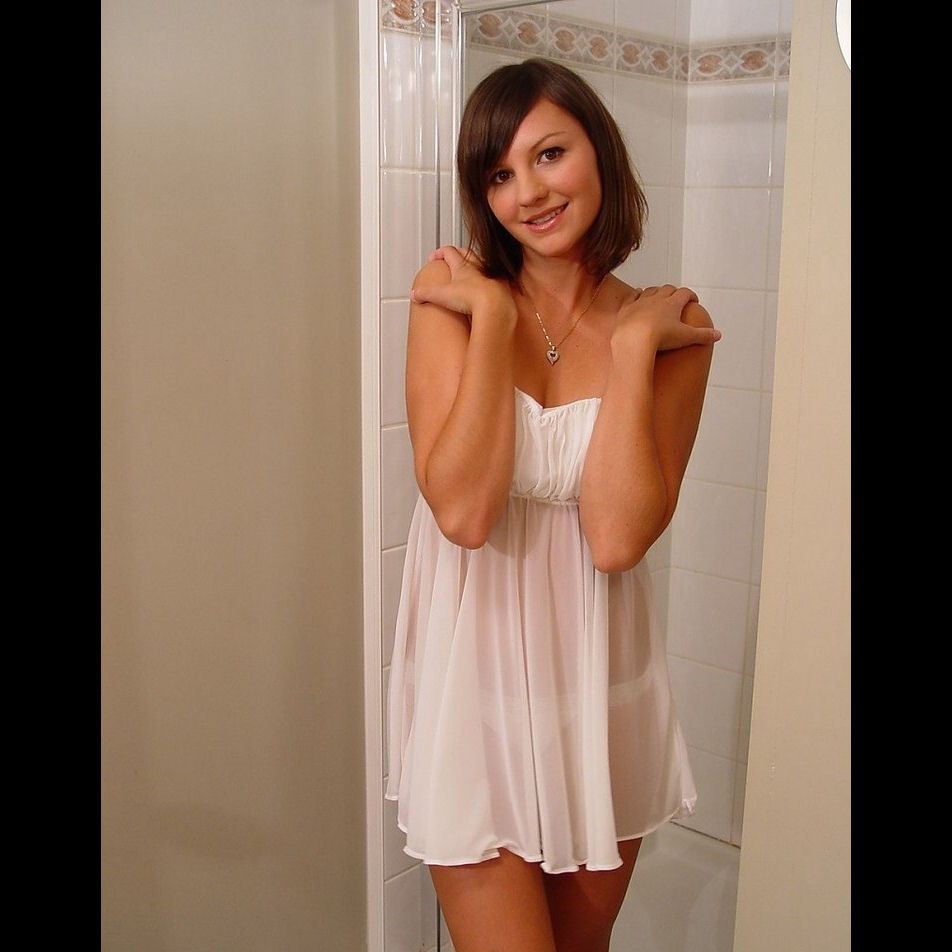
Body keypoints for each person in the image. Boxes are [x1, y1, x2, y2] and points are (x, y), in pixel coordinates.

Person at [386, 57, 721, 952]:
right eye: (499, 174)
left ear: (599, 150)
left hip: (599, 695)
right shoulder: (453, 306)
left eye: (549, 154)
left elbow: (615, 538)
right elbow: (464, 514)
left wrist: (634, 350)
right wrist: (494, 322)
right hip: (475, 696)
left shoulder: (672, 327)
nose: (528, 192)